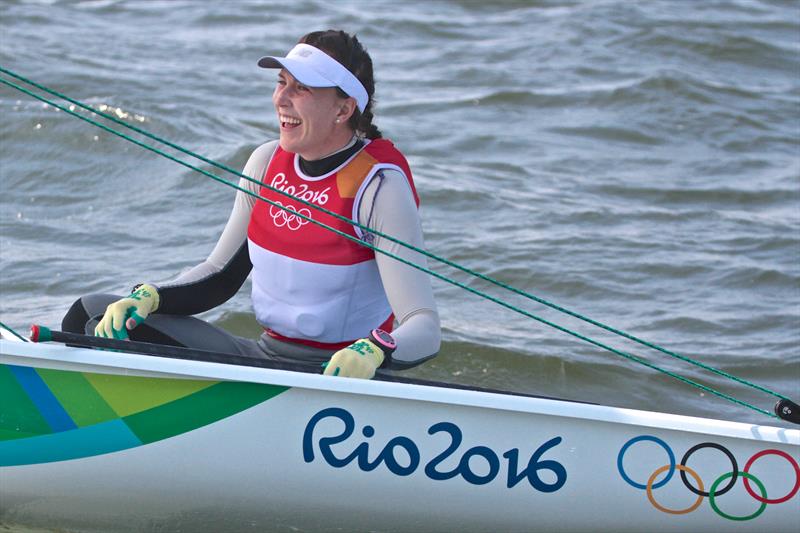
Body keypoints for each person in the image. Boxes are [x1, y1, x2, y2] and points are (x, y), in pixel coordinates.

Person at [62, 30, 440, 379]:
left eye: (302, 88)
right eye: (281, 83)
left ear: (343, 110)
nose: (281, 99)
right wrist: (150, 296)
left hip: (337, 378)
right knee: (90, 315)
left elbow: (423, 325)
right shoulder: (265, 162)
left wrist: (374, 352)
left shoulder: (379, 187)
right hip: (262, 357)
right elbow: (220, 275)